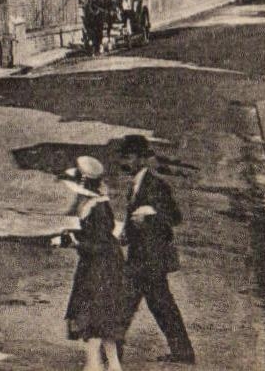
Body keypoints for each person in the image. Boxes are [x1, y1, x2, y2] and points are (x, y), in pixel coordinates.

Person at [118, 136, 195, 364]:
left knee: (133, 303)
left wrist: (149, 218)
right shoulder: (136, 185)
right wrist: (127, 233)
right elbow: (134, 218)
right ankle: (183, 352)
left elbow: (174, 217)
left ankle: (111, 352)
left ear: (142, 159)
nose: (125, 162)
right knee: (156, 305)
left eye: (129, 157)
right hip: (142, 258)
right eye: (124, 157)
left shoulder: (156, 185)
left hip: (151, 259)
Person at [52, 155, 128, 371]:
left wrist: (74, 241)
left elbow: (100, 243)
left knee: (93, 318)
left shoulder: (97, 209)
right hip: (99, 266)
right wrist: (71, 237)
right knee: (102, 320)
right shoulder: (93, 205)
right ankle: (112, 366)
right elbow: (94, 235)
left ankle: (94, 365)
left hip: (102, 269)